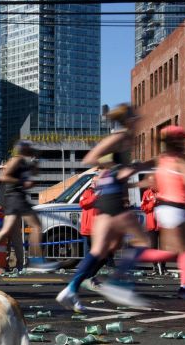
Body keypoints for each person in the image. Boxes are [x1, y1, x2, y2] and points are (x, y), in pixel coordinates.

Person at [57, 104, 151, 311]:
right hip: (112, 200)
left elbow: (124, 171)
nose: (139, 121)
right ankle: (118, 282)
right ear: (129, 120)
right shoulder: (119, 138)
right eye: (136, 118)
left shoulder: (126, 140)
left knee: (103, 248)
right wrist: (116, 170)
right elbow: (90, 159)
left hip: (111, 199)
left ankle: (70, 289)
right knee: (142, 240)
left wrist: (134, 172)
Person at [0, 140, 55, 282]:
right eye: (29, 147)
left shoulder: (25, 163)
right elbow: (2, 177)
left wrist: (35, 165)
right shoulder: (16, 160)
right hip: (16, 198)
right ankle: (38, 261)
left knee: (5, 231)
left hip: (16, 198)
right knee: (36, 226)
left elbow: (32, 176)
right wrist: (21, 182)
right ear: (23, 149)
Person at [137, 126, 185, 298]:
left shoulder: (162, 159)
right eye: (184, 139)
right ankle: (134, 257)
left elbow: (150, 178)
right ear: (177, 141)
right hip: (175, 208)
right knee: (181, 250)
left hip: (165, 207)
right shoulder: (181, 160)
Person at [140, 176, 165, 275]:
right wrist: (152, 203)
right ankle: (155, 266)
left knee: (163, 247)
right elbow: (143, 208)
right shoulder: (146, 193)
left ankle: (163, 267)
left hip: (163, 223)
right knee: (153, 246)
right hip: (152, 224)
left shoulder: (163, 192)